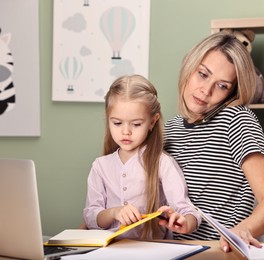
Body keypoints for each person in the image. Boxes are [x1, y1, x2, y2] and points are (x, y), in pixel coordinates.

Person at [164, 31, 264, 251]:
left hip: (215, 251)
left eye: (222, 85)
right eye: (202, 74)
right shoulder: (169, 129)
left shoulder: (237, 120)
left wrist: (240, 230)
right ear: (190, 68)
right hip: (165, 248)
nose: (206, 90)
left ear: (233, 91)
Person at [83, 74, 201, 240]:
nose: (126, 131)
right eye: (117, 123)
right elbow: (90, 217)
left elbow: (187, 210)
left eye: (136, 124)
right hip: (110, 252)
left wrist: (185, 223)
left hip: (154, 251)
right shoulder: (100, 166)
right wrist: (114, 212)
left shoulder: (162, 163)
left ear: (152, 122)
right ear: (108, 120)